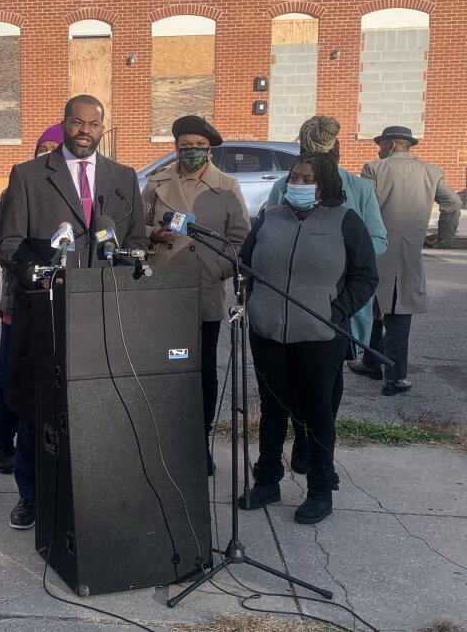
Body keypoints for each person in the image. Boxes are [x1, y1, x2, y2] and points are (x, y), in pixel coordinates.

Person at [0, 95, 148, 530]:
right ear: (64, 124)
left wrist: (130, 256)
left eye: (93, 124)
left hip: (101, 312)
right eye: (77, 122)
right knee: (38, 404)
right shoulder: (28, 175)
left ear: (103, 128)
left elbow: (135, 238)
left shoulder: (122, 177)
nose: (85, 130)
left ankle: (90, 491)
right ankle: (31, 493)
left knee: (95, 406)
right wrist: (37, 275)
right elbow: (9, 244)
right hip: (45, 312)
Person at [239, 152, 377, 524]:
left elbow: (366, 277)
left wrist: (337, 311)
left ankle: (319, 489)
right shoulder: (270, 217)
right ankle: (267, 480)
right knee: (272, 409)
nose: (297, 185)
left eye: (307, 180)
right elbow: (246, 263)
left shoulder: (346, 221)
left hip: (320, 333)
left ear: (327, 184)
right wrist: (254, 304)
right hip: (268, 332)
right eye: (294, 179)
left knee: (317, 412)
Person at [265, 115, 388, 473]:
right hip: (288, 306)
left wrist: (340, 255)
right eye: (305, 158)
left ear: (335, 153)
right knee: (288, 386)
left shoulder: (358, 190)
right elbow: (268, 232)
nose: (307, 174)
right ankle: (297, 441)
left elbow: (378, 239)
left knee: (327, 384)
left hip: (336, 305)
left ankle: (314, 448)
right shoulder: (285, 187)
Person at [141, 115, 250, 475]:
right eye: (185, 146)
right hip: (162, 289)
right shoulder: (156, 182)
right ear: (175, 147)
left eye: (199, 148)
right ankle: (162, 443)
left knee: (201, 371)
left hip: (203, 291)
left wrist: (215, 270)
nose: (192, 153)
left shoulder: (227, 187)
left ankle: (197, 444)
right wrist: (153, 234)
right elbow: (133, 228)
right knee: (164, 369)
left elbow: (240, 243)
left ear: (210, 150)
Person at [0, 124, 64, 530]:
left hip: (72, 314)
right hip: (24, 308)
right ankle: (26, 489)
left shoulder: (78, 193)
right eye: (44, 148)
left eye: (55, 150)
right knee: (22, 394)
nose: (48, 155)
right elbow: (5, 242)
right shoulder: (21, 187)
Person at [348, 126, 461, 395]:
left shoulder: (374, 169)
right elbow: (453, 203)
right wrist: (443, 236)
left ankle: (379, 367)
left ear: (391, 145)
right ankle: (391, 373)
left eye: (381, 144)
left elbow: (361, 204)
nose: (378, 149)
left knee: (373, 307)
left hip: (375, 250)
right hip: (408, 254)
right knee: (398, 314)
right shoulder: (431, 172)